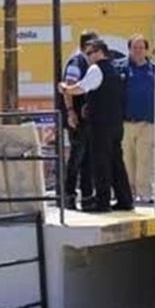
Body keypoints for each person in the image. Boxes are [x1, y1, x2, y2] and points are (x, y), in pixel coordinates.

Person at [62, 39, 133, 212]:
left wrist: (65, 88)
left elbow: (81, 88)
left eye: (89, 53)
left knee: (101, 163)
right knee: (117, 162)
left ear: (99, 52)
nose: (88, 57)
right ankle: (125, 200)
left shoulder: (96, 69)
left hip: (100, 124)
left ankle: (102, 202)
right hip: (116, 123)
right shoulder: (115, 69)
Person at [58, 30, 101, 207]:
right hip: (77, 118)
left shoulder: (88, 63)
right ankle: (69, 194)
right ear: (87, 45)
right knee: (77, 157)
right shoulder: (77, 63)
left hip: (86, 118)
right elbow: (68, 88)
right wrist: (70, 112)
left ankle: (86, 195)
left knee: (87, 158)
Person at [121, 35, 155, 204]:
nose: (138, 51)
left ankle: (144, 193)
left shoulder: (154, 70)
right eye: (134, 47)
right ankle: (129, 193)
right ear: (129, 49)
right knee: (127, 160)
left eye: (141, 47)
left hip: (147, 123)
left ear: (146, 50)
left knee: (145, 160)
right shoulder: (121, 69)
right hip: (126, 122)